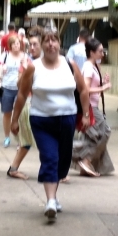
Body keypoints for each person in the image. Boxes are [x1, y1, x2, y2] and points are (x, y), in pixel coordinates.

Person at [12, 28, 90, 221]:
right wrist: (14, 120)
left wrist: (86, 114)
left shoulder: (70, 65)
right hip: (41, 120)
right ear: (42, 45)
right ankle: (51, 201)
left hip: (67, 119)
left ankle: (54, 193)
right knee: (50, 157)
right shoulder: (33, 67)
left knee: (63, 161)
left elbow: (83, 90)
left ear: (59, 44)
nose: (50, 44)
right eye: (46, 41)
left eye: (54, 40)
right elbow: (22, 94)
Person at [72, 38, 114, 177]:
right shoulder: (89, 67)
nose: (103, 54)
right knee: (104, 132)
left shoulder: (94, 65)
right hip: (90, 106)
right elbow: (86, 89)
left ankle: (86, 161)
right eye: (100, 51)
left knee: (93, 137)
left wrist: (103, 82)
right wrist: (103, 87)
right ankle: (85, 158)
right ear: (92, 52)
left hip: (93, 105)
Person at [7, 28, 43, 179]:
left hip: (42, 106)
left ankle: (13, 168)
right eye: (30, 45)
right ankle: (54, 171)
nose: (31, 48)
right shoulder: (28, 62)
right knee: (34, 140)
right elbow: (19, 86)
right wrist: (26, 69)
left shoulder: (51, 62)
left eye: (35, 44)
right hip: (28, 105)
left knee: (31, 141)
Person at [0, 34, 29, 148]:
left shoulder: (25, 56)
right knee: (7, 114)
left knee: (20, 115)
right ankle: (7, 137)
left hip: (21, 89)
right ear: (10, 45)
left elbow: (30, 70)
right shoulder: (5, 55)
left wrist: (25, 65)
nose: (17, 45)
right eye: (14, 44)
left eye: (18, 43)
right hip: (7, 87)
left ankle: (20, 139)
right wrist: (2, 70)